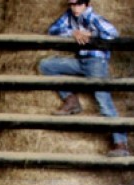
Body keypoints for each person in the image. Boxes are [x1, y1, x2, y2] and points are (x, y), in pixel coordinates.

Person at [39, 0, 129, 157]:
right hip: (80, 62)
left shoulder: (93, 17)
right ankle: (71, 100)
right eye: (72, 4)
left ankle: (121, 144)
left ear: (86, 4)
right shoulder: (70, 16)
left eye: (79, 4)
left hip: (96, 64)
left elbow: (113, 33)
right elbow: (52, 30)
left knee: (104, 102)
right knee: (46, 65)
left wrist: (91, 35)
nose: (75, 8)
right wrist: (73, 33)